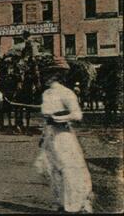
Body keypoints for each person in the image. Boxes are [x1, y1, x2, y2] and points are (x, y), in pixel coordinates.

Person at [34, 57, 94, 213]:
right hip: (50, 136)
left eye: (49, 75)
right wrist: (43, 136)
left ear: (57, 76)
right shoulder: (46, 94)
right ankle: (61, 202)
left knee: (69, 169)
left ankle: (75, 205)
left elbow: (77, 115)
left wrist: (58, 118)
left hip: (63, 136)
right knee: (53, 170)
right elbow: (46, 118)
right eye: (45, 74)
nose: (45, 78)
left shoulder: (66, 93)